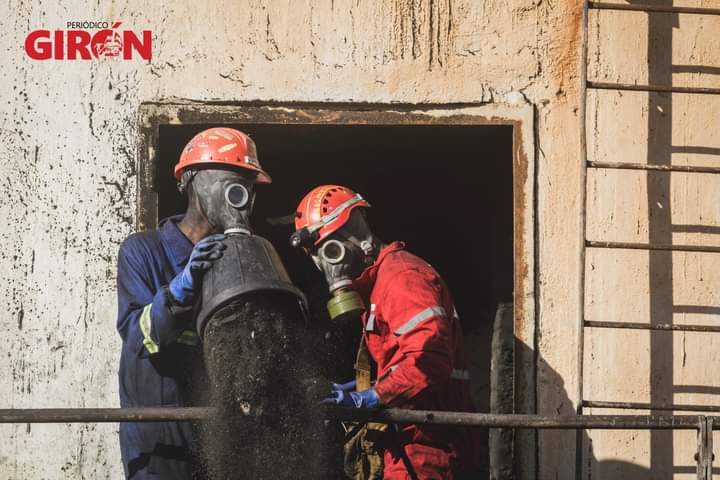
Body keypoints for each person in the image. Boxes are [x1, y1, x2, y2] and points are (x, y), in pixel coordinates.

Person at [291, 185, 480, 479]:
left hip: (432, 443)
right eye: (319, 259)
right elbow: (400, 361)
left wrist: (370, 398)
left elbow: (428, 360)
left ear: (357, 236)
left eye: (331, 251)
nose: (330, 268)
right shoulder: (378, 285)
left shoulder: (402, 279)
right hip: (409, 438)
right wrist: (355, 388)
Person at [116, 127, 271, 479]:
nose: (243, 196)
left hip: (221, 434)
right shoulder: (143, 251)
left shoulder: (240, 257)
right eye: (235, 183)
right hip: (160, 434)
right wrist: (180, 289)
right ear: (193, 181)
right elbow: (139, 340)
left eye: (249, 186)